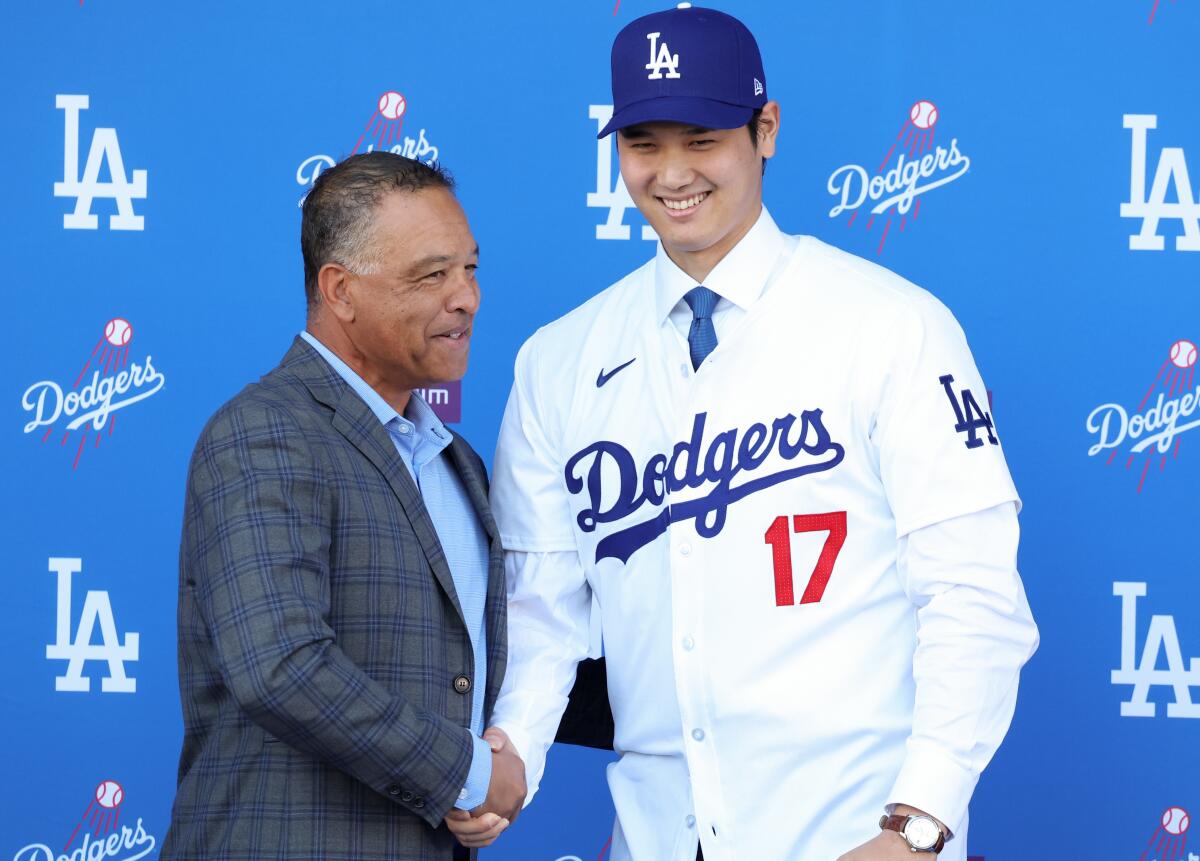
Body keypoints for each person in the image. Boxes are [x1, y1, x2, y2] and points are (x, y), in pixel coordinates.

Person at [480, 6, 1039, 860]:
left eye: (701, 139)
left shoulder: (890, 327)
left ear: (764, 129)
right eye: (644, 144)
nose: (671, 174)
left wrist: (919, 822)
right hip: (656, 834)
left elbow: (974, 598)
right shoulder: (558, 360)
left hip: (857, 832)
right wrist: (511, 751)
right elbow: (544, 606)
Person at [161, 152, 525, 861]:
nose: (467, 298)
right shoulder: (264, 431)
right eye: (431, 275)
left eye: (470, 269)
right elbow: (283, 666)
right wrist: (470, 771)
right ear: (341, 290)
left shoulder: (459, 463)